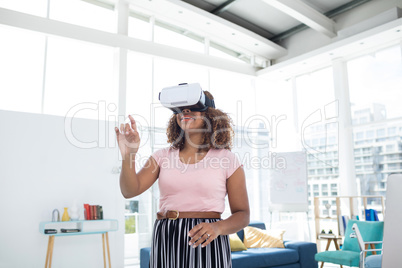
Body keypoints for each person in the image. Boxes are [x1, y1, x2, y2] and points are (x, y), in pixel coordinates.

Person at [115, 90, 250, 268]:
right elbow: (129, 191)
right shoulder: (162, 156)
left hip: (206, 239)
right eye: (180, 110)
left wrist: (218, 228)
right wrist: (128, 155)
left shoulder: (227, 159)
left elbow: (243, 214)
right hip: (166, 237)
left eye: (192, 108)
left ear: (210, 115)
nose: (185, 113)